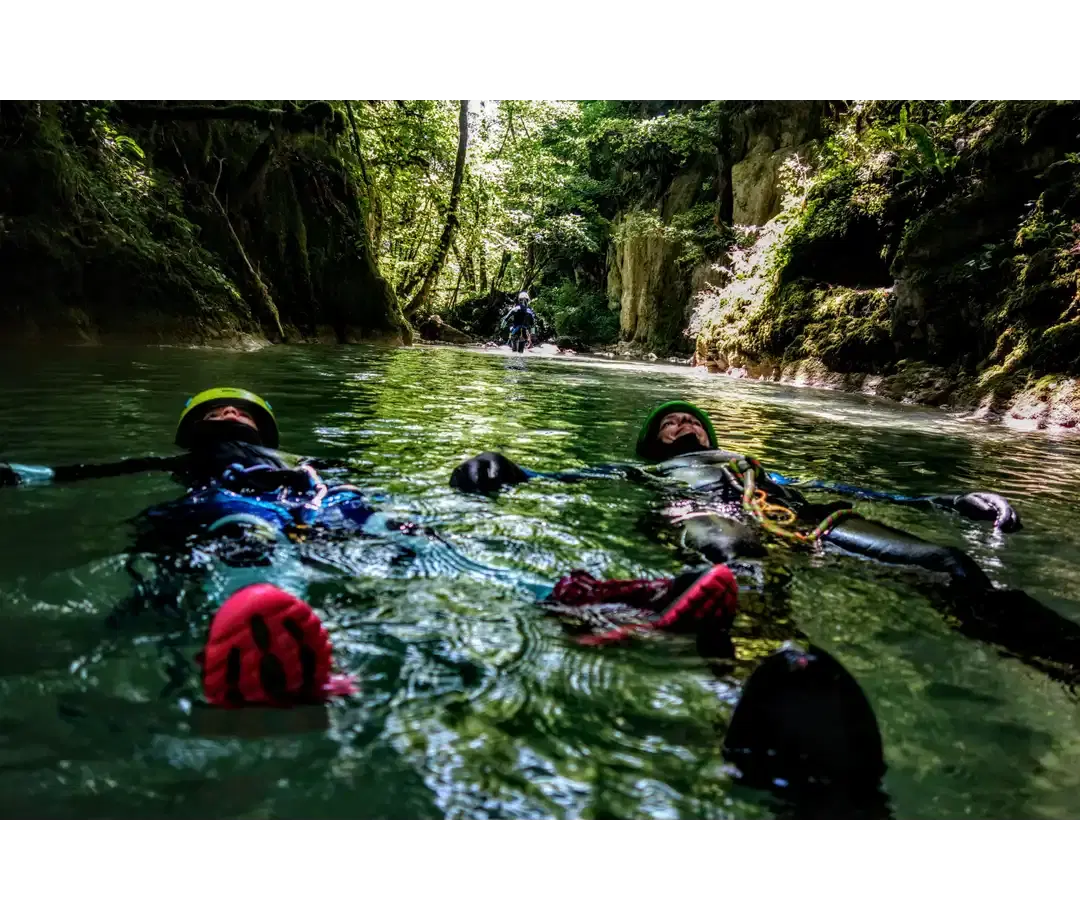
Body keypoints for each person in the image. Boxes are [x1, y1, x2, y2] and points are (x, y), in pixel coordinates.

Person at [448, 399, 1080, 688]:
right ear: (654, 442)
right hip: (699, 515)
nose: (684, 423)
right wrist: (510, 470)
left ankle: (1057, 652)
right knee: (733, 561)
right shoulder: (647, 471)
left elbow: (834, 485)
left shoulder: (748, 461)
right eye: (669, 421)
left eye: (691, 417)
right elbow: (572, 479)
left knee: (948, 563)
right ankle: (766, 673)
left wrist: (946, 501)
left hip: (802, 520)